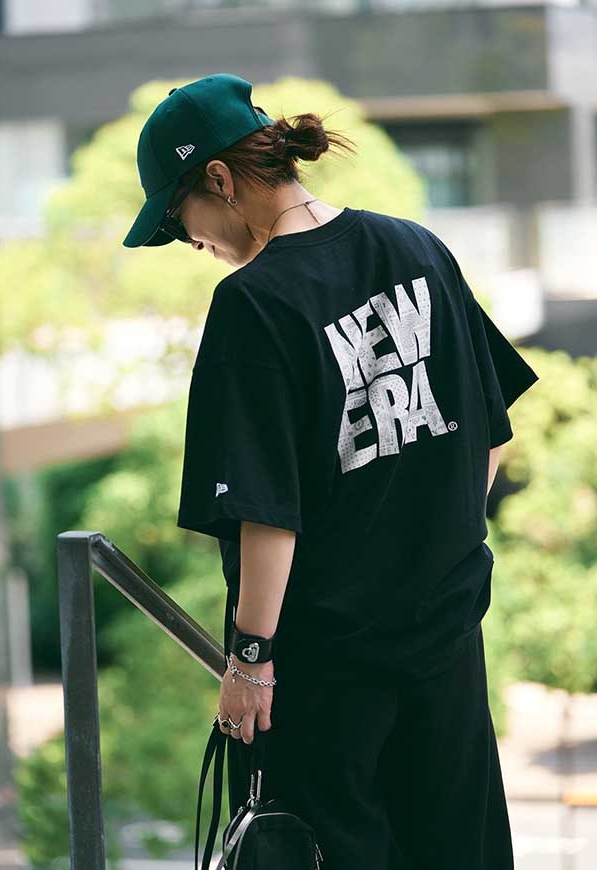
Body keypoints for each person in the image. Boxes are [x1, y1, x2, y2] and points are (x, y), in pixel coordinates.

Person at [123, 72, 540, 869]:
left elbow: (267, 511)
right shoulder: (415, 245)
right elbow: (489, 434)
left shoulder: (253, 302)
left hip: (326, 674)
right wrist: (430, 552)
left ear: (220, 179)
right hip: (447, 645)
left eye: (178, 220)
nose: (190, 242)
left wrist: (249, 660)